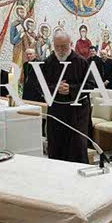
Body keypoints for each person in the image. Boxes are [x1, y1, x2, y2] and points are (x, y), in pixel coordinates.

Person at [41, 31, 92, 163]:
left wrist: (71, 89)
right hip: (56, 110)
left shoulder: (81, 62)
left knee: (76, 146)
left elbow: (90, 84)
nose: (60, 50)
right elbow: (39, 85)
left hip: (77, 112)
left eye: (63, 46)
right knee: (56, 144)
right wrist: (55, 88)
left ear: (70, 44)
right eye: (57, 46)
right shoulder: (48, 62)